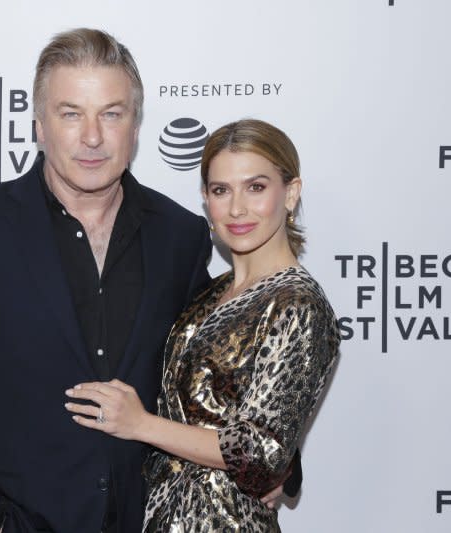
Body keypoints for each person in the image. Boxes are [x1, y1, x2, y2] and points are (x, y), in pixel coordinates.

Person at [0, 29, 296, 533]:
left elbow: (215, 373)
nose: (93, 137)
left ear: (136, 126)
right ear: (40, 125)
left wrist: (276, 461)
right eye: (71, 113)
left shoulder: (179, 235)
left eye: (111, 113)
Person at [65, 119, 340, 532]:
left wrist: (141, 424)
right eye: (220, 190)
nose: (236, 208)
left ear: (291, 193)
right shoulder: (208, 294)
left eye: (256, 187)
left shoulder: (297, 305)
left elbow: (261, 454)